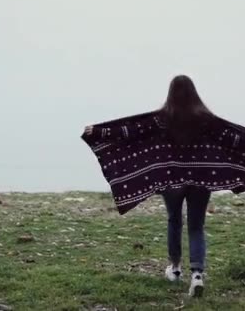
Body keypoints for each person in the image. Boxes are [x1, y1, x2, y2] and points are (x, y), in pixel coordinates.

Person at [85, 75, 221, 297]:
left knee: (174, 220)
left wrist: (100, 131)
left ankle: (175, 269)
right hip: (200, 179)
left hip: (171, 179)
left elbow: (132, 130)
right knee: (196, 226)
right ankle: (197, 275)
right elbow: (235, 137)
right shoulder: (207, 120)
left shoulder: (162, 119)